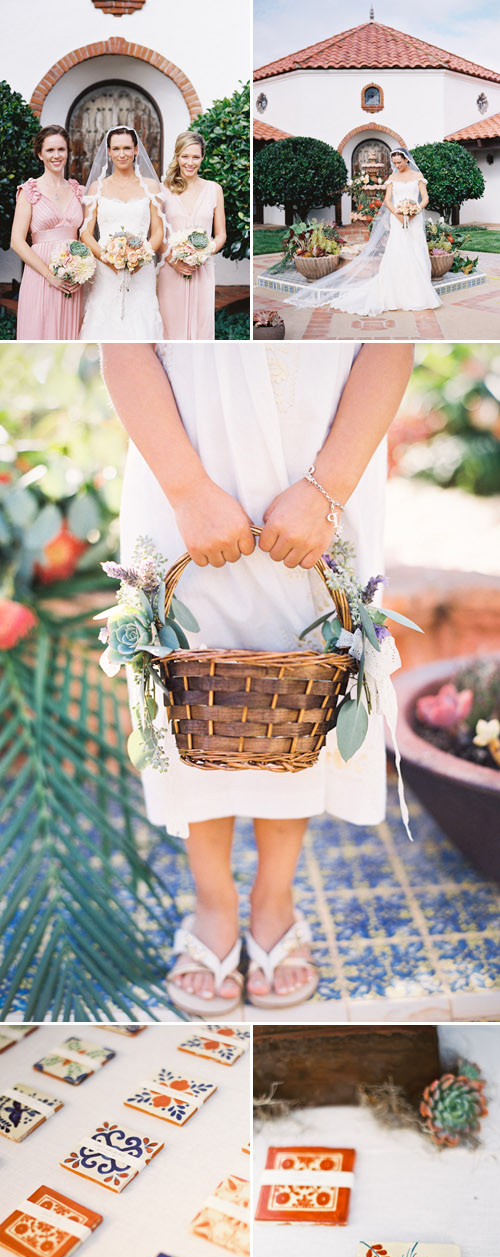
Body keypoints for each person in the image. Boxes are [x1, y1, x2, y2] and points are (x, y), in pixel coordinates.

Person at [101, 340, 414, 1015]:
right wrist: (185, 490)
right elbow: (124, 347)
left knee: (306, 690)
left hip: (325, 468)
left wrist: (326, 490)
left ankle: (275, 900)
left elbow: (391, 342)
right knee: (192, 689)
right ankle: (213, 904)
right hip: (184, 457)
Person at [290, 149, 440, 317]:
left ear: (406, 160)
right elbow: (387, 201)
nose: (397, 166)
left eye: (399, 162)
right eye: (395, 163)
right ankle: (396, 291)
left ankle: (417, 292)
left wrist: (414, 211)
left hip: (415, 219)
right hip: (397, 219)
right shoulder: (392, 178)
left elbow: (425, 198)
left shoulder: (417, 176)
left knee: (415, 250)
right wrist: (398, 215)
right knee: (398, 251)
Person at [79, 126, 165, 340]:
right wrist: (108, 258)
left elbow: (158, 232)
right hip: (105, 269)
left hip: (141, 269)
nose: (122, 154)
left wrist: (141, 257)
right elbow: (85, 233)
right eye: (116, 148)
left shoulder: (151, 187)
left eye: (127, 148)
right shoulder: (97, 188)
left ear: (136, 150)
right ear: (108, 152)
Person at [11, 125, 84, 340]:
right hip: (41, 276)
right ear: (40, 154)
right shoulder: (29, 191)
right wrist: (50, 276)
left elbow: (82, 237)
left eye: (61, 150)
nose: (56, 155)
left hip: (73, 279)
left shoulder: (77, 190)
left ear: (68, 152)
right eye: (50, 150)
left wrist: (81, 270)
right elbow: (16, 241)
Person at [157, 132, 226, 339]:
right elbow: (157, 234)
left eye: (196, 157)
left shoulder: (214, 190)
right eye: (185, 156)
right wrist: (172, 259)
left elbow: (221, 234)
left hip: (202, 270)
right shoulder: (162, 190)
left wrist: (203, 253)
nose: (190, 162)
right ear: (177, 156)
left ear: (203, 158)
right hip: (171, 270)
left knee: (202, 328)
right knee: (171, 329)